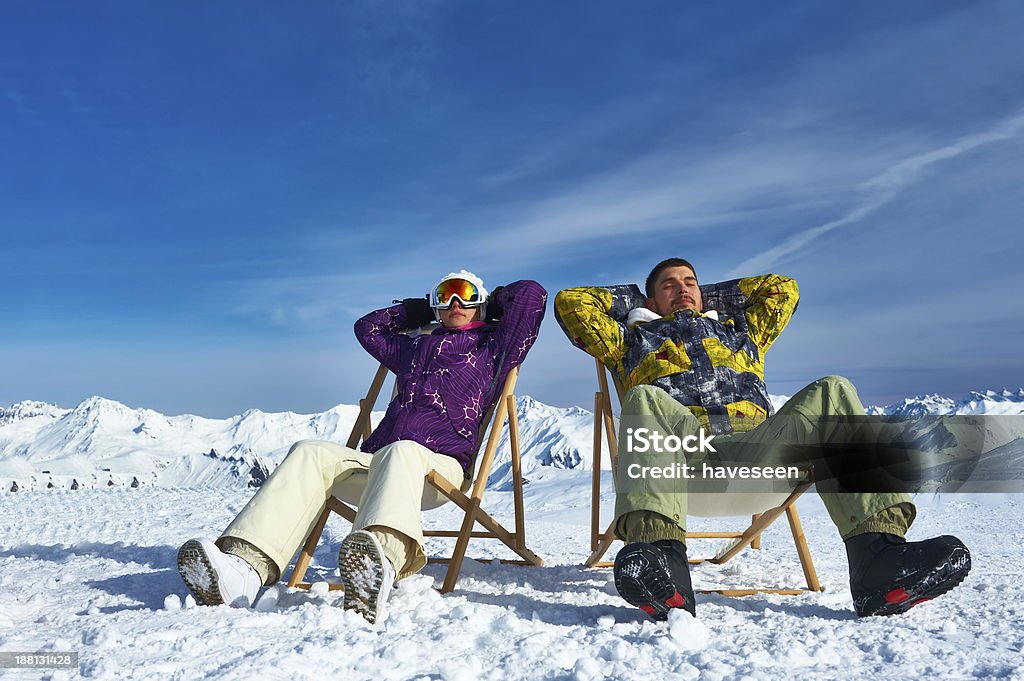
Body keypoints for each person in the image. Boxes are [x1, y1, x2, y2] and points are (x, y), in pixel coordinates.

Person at [554, 258, 971, 620]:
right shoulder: (629, 340)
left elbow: (782, 289)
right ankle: (663, 566)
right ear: (649, 301)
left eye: (690, 283)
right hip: (681, 465)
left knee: (834, 389)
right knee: (646, 397)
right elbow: (570, 302)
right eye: (669, 285)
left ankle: (879, 563)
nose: (682, 289)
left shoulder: (743, 333)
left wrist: (703, 301)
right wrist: (646, 306)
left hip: (762, 458)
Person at [178, 271, 546, 623]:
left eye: (465, 295)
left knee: (401, 450)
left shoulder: (495, 348)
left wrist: (494, 303)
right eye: (444, 296)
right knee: (310, 451)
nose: (454, 302)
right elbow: (366, 328)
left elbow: (532, 294)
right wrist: (417, 310)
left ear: (479, 302)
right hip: (377, 463)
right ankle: (244, 569)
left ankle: (381, 564)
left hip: (438, 469)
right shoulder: (412, 347)